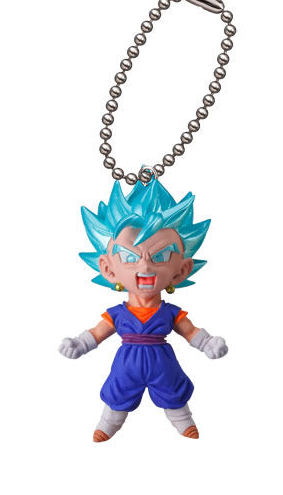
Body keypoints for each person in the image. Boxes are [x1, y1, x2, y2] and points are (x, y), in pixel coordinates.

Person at [59, 179, 228, 441]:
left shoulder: (171, 313)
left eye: (161, 256)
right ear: (108, 269)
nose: (145, 267)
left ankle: (183, 421)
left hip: (163, 363)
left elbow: (190, 331)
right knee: (118, 392)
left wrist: (207, 343)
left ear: (182, 270)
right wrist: (79, 344)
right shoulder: (117, 314)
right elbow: (98, 332)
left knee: (173, 391)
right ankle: (108, 423)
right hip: (126, 364)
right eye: (129, 256)